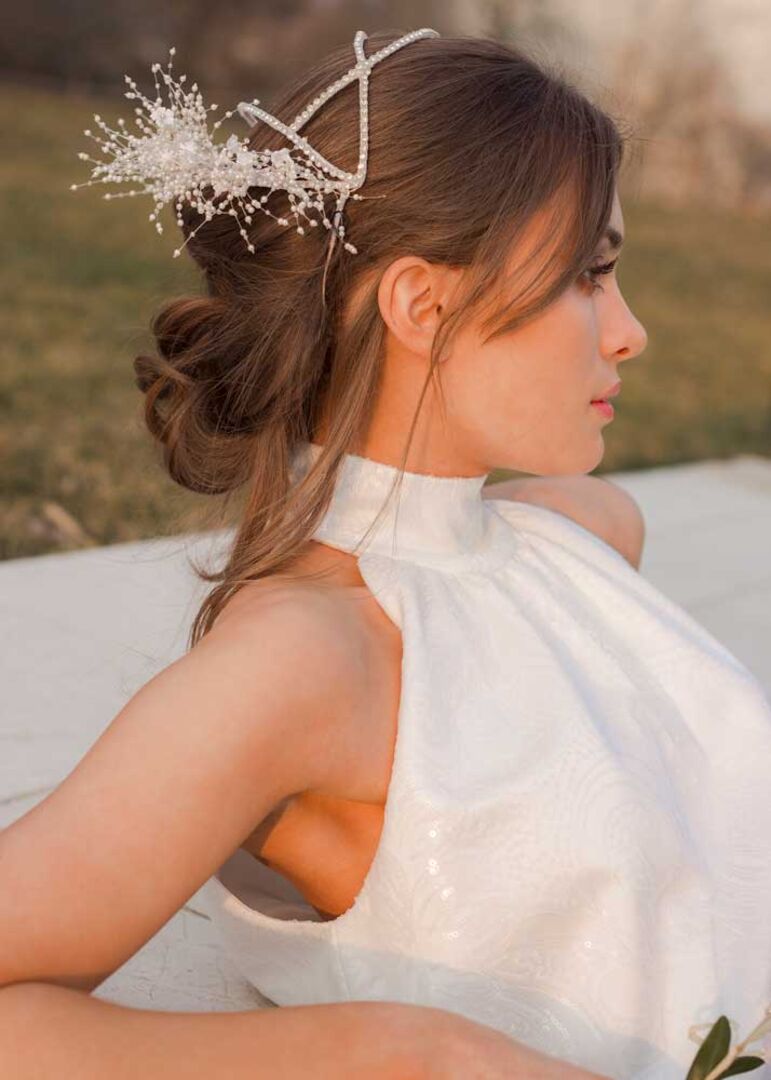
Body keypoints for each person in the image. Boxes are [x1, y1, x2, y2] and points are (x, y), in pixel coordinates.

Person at [2, 25, 769, 1080]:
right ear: (423, 304)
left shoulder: (582, 537)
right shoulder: (302, 663)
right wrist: (408, 1051)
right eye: (589, 276)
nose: (630, 331)